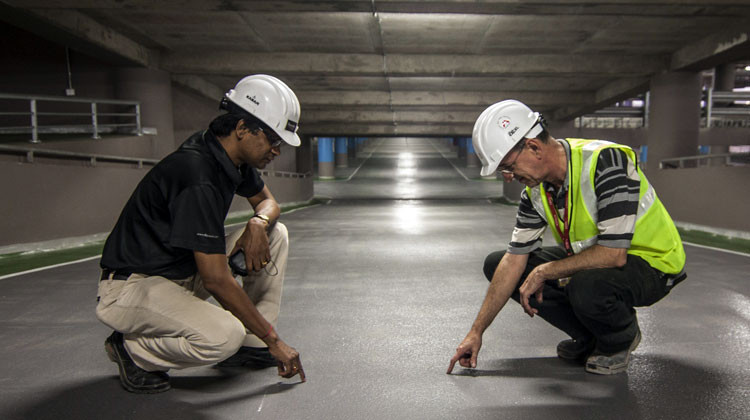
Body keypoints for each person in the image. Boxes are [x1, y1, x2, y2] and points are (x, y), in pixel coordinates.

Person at [96, 74, 306, 393]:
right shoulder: (197, 175)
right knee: (223, 336)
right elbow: (216, 280)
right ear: (242, 128)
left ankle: (252, 343)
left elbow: (268, 203)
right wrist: (275, 341)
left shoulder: (226, 155)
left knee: (276, 234)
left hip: (180, 274)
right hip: (133, 287)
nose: (276, 151)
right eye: (273, 140)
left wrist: (258, 223)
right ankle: (133, 350)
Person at [447, 99, 686, 375]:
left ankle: (618, 339)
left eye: (508, 167)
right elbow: (514, 260)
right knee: (497, 263)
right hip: (598, 259)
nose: (508, 177)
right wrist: (476, 332)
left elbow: (613, 254)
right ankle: (589, 336)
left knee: (585, 284)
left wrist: (545, 271)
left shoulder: (606, 162)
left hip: (653, 264)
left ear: (534, 147)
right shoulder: (535, 193)